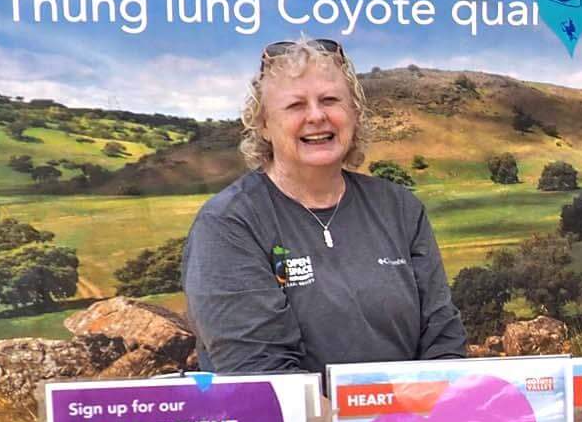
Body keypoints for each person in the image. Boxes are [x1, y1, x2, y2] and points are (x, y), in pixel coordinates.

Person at [183, 37, 466, 373]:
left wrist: (422, 414)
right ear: (263, 124)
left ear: (355, 114)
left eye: (330, 100)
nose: (316, 116)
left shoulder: (401, 209)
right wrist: (360, 421)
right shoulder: (228, 224)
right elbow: (258, 370)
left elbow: (443, 341)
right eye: (295, 105)